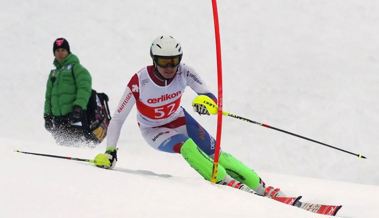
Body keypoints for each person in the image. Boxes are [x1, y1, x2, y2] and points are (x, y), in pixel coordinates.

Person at [94, 35, 282, 198]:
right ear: (154, 60)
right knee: (186, 144)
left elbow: (208, 95)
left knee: (217, 154)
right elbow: (118, 118)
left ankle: (260, 187)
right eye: (163, 61)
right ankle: (225, 181)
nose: (169, 67)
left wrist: (206, 103)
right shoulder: (140, 81)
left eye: (174, 61)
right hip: (153, 129)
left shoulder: (185, 72)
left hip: (179, 119)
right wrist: (110, 151)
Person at [44, 37, 96, 145]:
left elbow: (84, 86)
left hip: (74, 116)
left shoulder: (76, 68)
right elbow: (48, 97)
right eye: (57, 51)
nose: (60, 53)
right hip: (58, 120)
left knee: (77, 148)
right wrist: (47, 115)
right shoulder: (53, 74)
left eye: (63, 50)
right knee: (62, 149)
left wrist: (79, 106)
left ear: (68, 51)